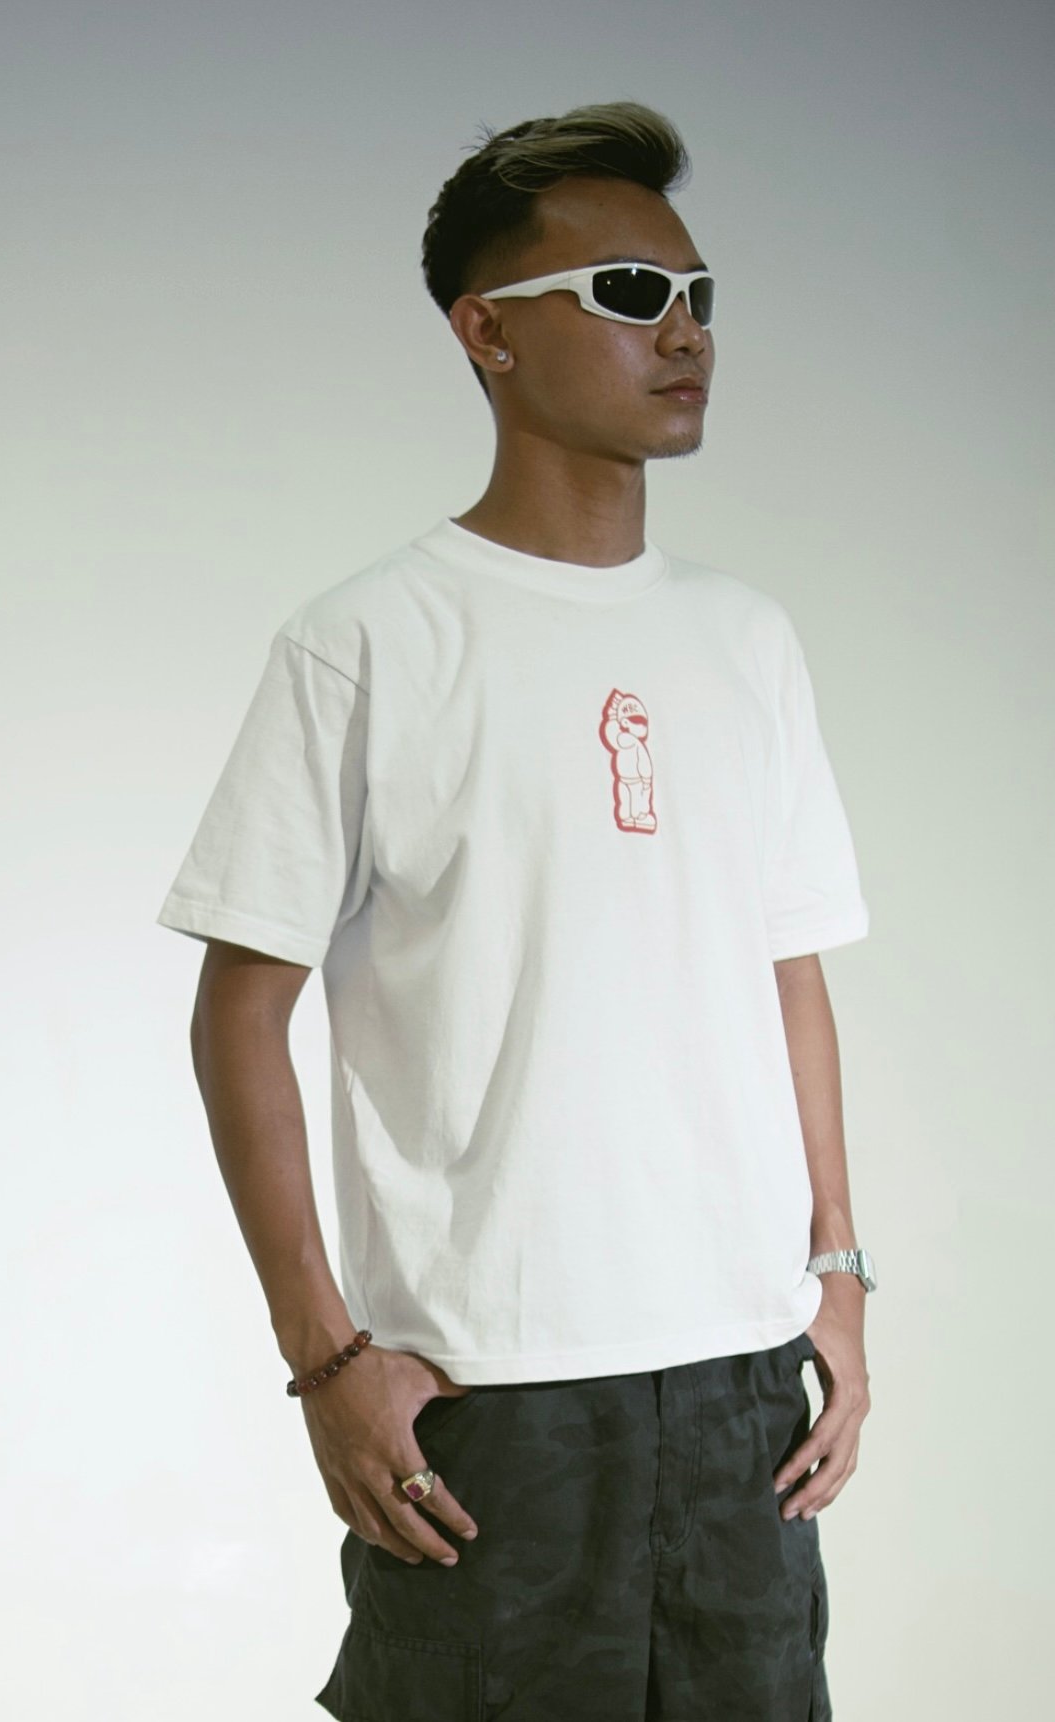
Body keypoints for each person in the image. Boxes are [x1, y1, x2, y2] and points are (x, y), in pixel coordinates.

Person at [156, 98, 876, 1721]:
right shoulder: (370, 641)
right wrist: (325, 1358)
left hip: (743, 1387)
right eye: (627, 293)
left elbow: (790, 967)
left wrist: (834, 1272)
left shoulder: (745, 641)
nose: (682, 331)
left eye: (696, 295)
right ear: (487, 331)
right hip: (495, 1395)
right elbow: (238, 1014)